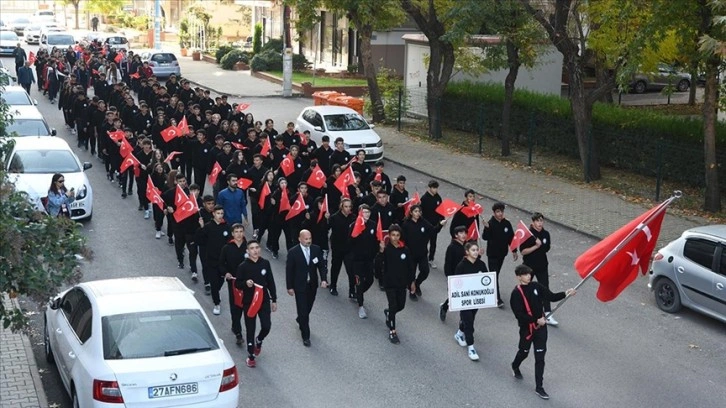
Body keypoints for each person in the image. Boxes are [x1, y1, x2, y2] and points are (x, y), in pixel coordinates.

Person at [510, 264, 575, 400]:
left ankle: (539, 387)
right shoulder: (516, 293)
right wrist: (535, 319)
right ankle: (515, 365)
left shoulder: (536, 286)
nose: (529, 276)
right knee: (524, 352)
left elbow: (550, 296)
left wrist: (565, 293)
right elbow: (519, 315)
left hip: (541, 329)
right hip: (527, 329)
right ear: (519, 277)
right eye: (526, 274)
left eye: (529, 274)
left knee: (540, 359)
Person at [235, 240, 277, 367]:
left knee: (266, 326)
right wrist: (245, 284)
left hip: (263, 300)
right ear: (247, 251)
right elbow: (237, 284)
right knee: (250, 328)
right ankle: (251, 355)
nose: (255, 250)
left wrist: (274, 299)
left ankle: (259, 340)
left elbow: (270, 282)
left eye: (257, 247)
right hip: (249, 301)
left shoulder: (265, 263)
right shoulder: (243, 266)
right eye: (252, 248)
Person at [286, 230, 328, 347]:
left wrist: (323, 279)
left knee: (308, 306)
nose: (308, 241)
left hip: (312, 285)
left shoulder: (316, 249)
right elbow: (289, 271)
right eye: (306, 239)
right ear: (300, 239)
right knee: (303, 311)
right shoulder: (293, 252)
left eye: (310, 238)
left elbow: (321, 266)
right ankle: (306, 336)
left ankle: (301, 319)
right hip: (299, 286)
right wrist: (289, 287)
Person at [377, 224, 415, 344]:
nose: (395, 237)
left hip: (402, 284)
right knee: (393, 306)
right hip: (390, 283)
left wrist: (412, 282)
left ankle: (389, 313)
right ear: (389, 235)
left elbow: (410, 267)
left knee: (401, 306)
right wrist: (381, 252)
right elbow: (377, 264)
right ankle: (392, 331)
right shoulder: (386, 250)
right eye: (393, 235)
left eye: (397, 235)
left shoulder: (405, 250)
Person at [452, 241, 488, 361]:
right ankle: (471, 347)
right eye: (473, 250)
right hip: (464, 300)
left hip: (476, 299)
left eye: (477, 250)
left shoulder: (481, 264)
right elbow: (455, 283)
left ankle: (459, 333)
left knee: (469, 318)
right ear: (467, 252)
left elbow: (487, 279)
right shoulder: (461, 266)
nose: (476, 252)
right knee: (469, 323)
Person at [519, 212, 556, 325]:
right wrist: (535, 246)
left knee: (545, 288)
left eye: (541, 221)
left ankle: (548, 313)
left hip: (542, 266)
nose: (540, 223)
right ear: (533, 222)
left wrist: (541, 246)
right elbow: (523, 251)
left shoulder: (546, 234)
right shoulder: (528, 235)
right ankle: (522, 307)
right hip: (529, 267)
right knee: (526, 287)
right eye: (537, 221)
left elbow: (547, 248)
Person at [195, 205, 232, 316]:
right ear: (213, 214)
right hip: (211, 260)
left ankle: (217, 292)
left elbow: (230, 241)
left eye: (222, 213)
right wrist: (201, 228)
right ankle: (217, 303)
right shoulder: (208, 227)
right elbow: (199, 240)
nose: (220, 216)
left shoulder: (226, 227)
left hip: (223, 261)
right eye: (218, 213)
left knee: (220, 281)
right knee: (214, 283)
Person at [481, 202, 518, 308]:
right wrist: (487, 228)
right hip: (492, 254)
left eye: (501, 211)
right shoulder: (490, 223)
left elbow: (511, 237)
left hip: (502, 254)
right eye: (498, 212)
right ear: (494, 213)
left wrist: (514, 250)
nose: (500, 213)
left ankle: (489, 288)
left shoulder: (507, 224)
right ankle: (497, 298)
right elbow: (485, 237)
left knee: (496, 274)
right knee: (494, 275)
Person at [219, 223, 248, 344]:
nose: (239, 234)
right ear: (232, 234)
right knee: (235, 307)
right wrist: (226, 273)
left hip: (247, 283)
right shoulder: (227, 248)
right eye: (236, 232)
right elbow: (221, 264)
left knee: (246, 306)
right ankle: (238, 332)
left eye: (241, 231)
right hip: (234, 282)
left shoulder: (249, 247)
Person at [349, 204, 378, 318]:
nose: (366, 214)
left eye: (368, 212)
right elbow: (350, 242)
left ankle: (358, 292)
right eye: (364, 212)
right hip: (357, 260)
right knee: (359, 282)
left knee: (370, 280)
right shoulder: (354, 225)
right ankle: (361, 305)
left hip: (369, 259)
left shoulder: (373, 225)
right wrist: (355, 236)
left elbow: (376, 240)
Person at [439, 226, 468, 321]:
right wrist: (450, 277)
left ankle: (463, 320)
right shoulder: (452, 247)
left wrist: (478, 254)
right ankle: (444, 307)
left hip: (465, 276)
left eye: (465, 233)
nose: (463, 235)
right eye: (461, 233)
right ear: (456, 235)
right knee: (454, 297)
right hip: (454, 277)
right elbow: (448, 264)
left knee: (464, 298)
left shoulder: (466, 246)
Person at [420, 180, 445, 268]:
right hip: (426, 224)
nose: (435, 190)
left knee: (433, 243)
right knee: (424, 242)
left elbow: (441, 210)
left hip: (435, 225)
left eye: (436, 188)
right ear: (429, 188)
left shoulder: (438, 198)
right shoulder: (424, 198)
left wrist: (442, 220)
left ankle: (431, 259)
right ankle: (423, 257)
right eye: (434, 188)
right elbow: (420, 212)